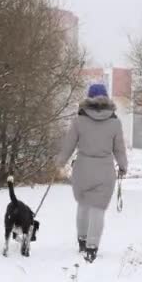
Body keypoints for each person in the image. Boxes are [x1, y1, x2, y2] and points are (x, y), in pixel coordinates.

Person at [55, 83, 128, 263]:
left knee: (83, 205)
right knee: (98, 209)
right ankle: (92, 247)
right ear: (106, 99)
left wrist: (60, 163)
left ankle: (82, 240)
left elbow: (68, 145)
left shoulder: (79, 121)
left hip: (83, 168)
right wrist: (123, 165)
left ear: (88, 98)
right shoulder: (115, 122)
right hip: (104, 170)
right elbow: (119, 149)